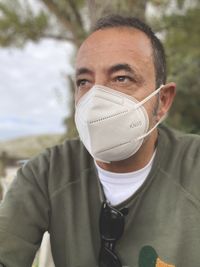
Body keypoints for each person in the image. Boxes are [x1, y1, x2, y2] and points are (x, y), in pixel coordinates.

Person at [0, 14, 199, 267]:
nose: (96, 99)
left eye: (121, 78)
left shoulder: (194, 168)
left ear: (163, 101)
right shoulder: (47, 172)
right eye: (84, 82)